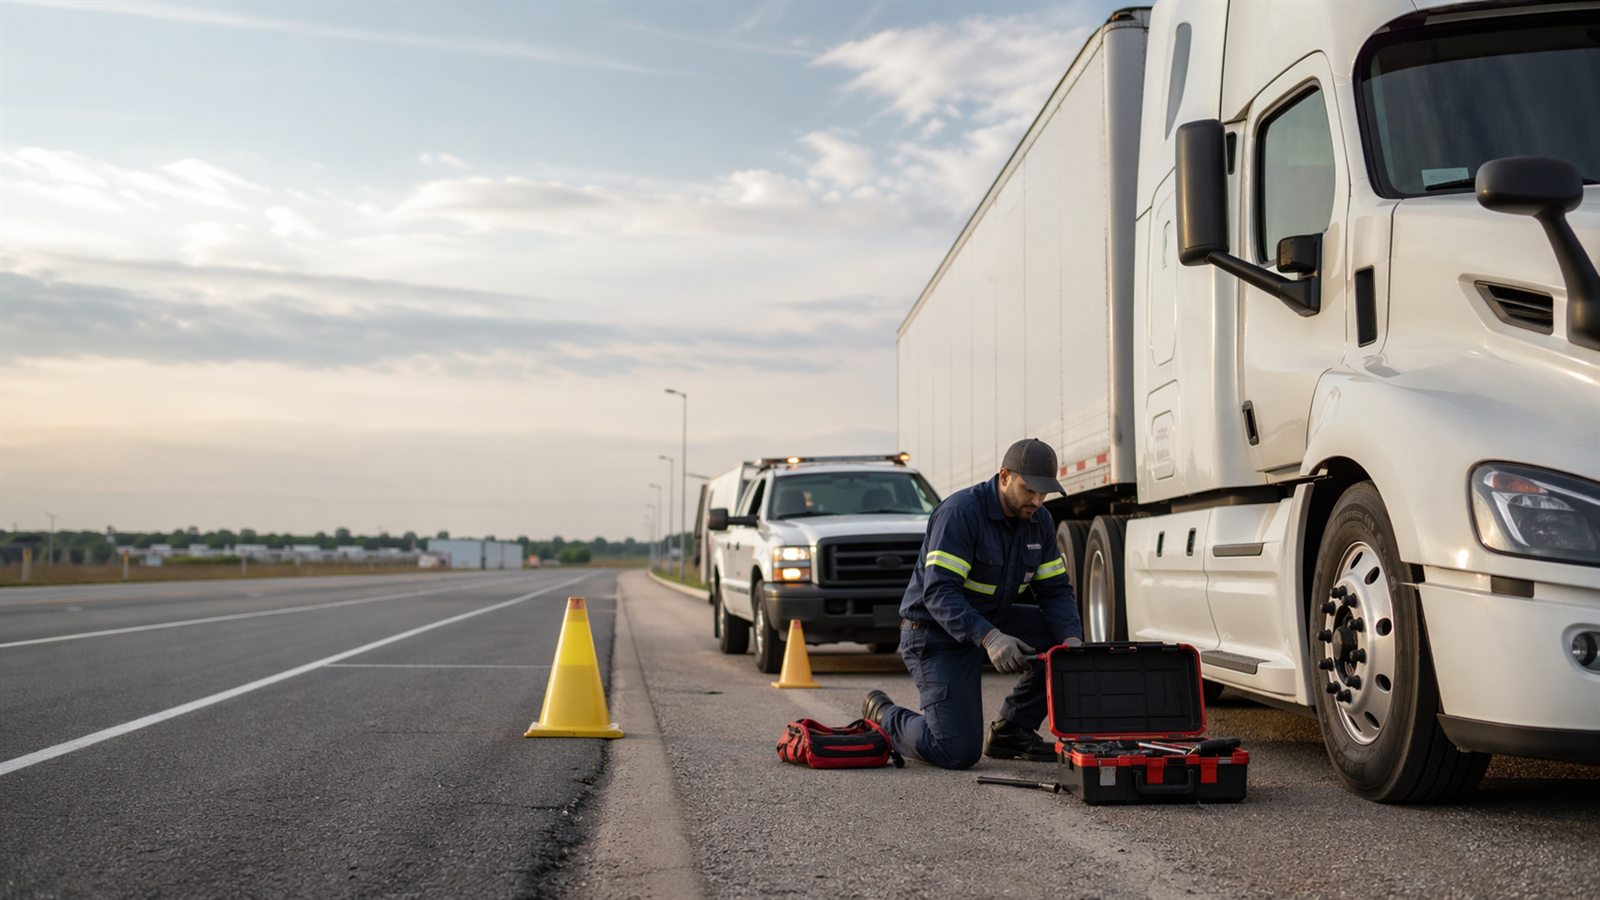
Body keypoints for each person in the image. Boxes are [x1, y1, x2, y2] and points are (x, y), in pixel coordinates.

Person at [863, 438, 1083, 768]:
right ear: (1004, 476)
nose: (1037, 500)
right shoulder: (960, 514)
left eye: (1044, 493)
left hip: (993, 620)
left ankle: (1013, 731)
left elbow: (1054, 591)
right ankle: (885, 716)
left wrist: (1071, 640)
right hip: (935, 634)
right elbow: (939, 593)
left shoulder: (1041, 522)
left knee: (1063, 647)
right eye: (1029, 489)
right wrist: (990, 637)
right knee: (956, 751)